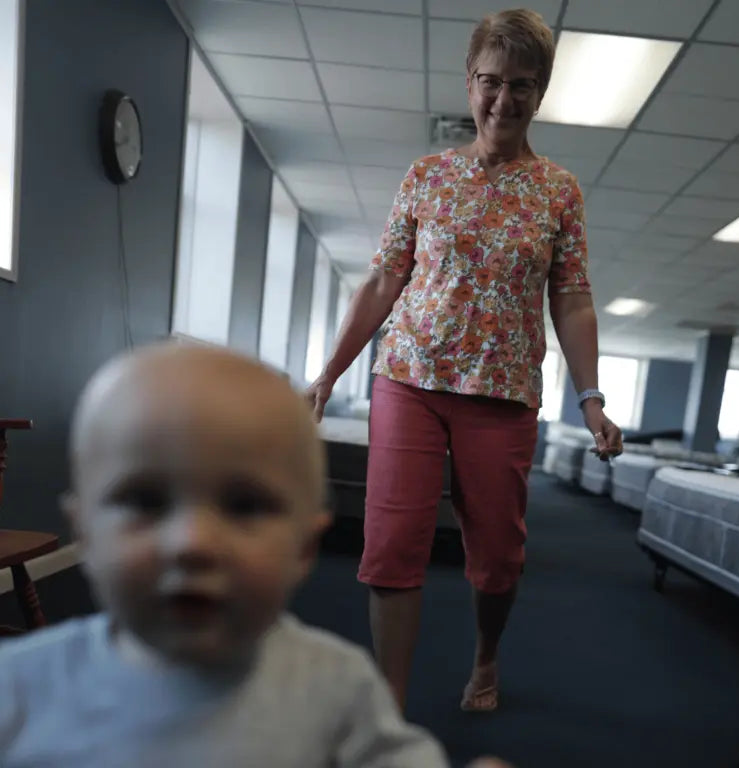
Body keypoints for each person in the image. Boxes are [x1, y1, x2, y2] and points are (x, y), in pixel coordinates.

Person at [307, 8, 624, 714]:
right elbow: (384, 280)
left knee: (498, 558)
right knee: (390, 543)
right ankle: (387, 702)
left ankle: (486, 658)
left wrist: (592, 396)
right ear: (469, 82)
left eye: (520, 85)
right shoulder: (426, 177)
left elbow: (573, 300)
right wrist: (329, 372)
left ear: (538, 94)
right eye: (489, 81)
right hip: (409, 381)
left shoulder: (558, 192)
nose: (502, 100)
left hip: (503, 391)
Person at [0, 343, 507, 767]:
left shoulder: (337, 691)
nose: (192, 542)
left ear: (305, 547)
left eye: (244, 506)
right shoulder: (19, 689)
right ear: (84, 532)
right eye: (146, 502)